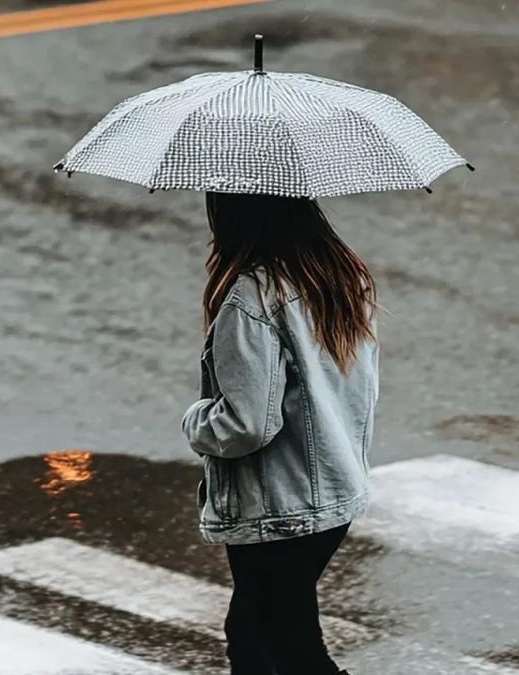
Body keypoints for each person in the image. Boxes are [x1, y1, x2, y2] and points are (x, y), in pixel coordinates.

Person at [181, 191, 380, 675]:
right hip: (334, 495)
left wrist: (196, 421)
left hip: (279, 507)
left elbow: (247, 424)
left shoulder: (251, 298)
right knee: (252, 637)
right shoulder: (341, 279)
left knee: (293, 655)